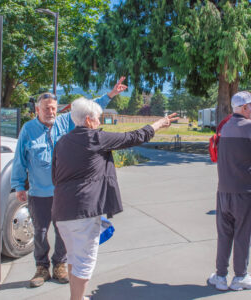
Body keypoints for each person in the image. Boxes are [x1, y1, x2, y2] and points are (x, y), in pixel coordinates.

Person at [51, 98, 178, 300]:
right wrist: (159, 124)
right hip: (83, 211)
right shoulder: (95, 138)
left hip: (61, 211)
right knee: (85, 261)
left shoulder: (62, 142)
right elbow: (134, 137)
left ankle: (76, 297)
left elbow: (55, 176)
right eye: (98, 119)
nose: (99, 122)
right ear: (88, 120)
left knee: (74, 257)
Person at [11, 77, 128, 287]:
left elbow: (89, 109)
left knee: (62, 231)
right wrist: (19, 185)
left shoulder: (65, 121)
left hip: (62, 193)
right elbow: (20, 159)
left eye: (54, 108)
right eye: (46, 108)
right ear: (37, 109)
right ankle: (41, 268)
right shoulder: (28, 129)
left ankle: (59, 265)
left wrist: (110, 95)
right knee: (40, 231)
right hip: (39, 193)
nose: (51, 112)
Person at [207, 91, 251, 291]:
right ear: (244, 108)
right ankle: (240, 277)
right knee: (244, 234)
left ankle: (220, 276)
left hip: (224, 190)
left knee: (224, 234)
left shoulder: (225, 126)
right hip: (245, 191)